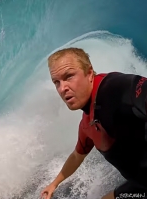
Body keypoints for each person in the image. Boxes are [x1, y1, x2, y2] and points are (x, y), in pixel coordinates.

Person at [41, 47, 147, 199]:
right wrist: (54, 184)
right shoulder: (86, 124)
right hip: (141, 184)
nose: (62, 88)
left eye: (69, 76)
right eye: (56, 82)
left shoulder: (113, 88)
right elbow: (77, 156)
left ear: (89, 73)